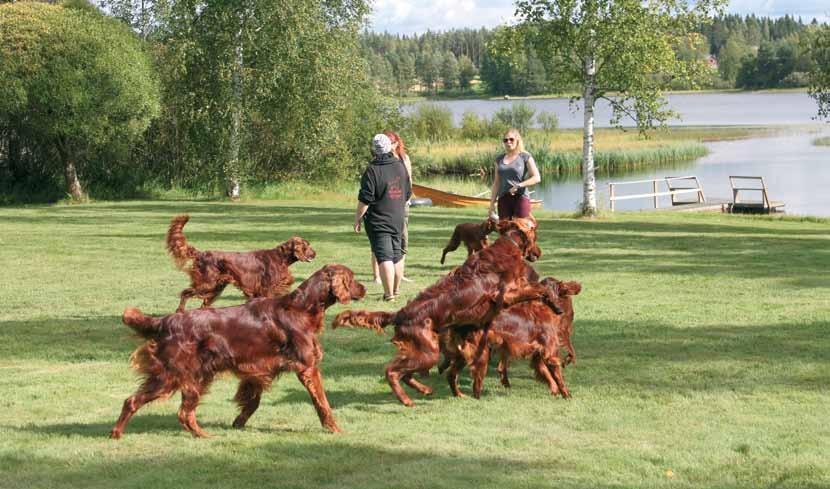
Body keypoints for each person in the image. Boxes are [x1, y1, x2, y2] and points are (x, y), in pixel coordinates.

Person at [355, 134, 412, 301]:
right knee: (397, 254)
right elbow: (408, 192)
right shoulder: (400, 165)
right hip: (397, 218)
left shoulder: (372, 169)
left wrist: (358, 218)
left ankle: (388, 295)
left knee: (384, 256)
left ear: (374, 149)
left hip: (378, 220)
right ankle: (395, 290)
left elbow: (365, 198)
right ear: (389, 147)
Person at [372, 130, 413, 284]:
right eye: (389, 142)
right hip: (384, 206)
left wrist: (407, 199)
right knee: (381, 243)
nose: (392, 145)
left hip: (402, 206)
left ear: (397, 143)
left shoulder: (404, 158)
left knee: (402, 240)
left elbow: (409, 181)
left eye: (394, 142)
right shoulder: (379, 161)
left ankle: (399, 274)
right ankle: (377, 275)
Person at [488, 128, 541, 220]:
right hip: (503, 199)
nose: (508, 142)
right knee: (505, 231)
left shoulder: (525, 156)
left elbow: (536, 178)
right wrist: (492, 204)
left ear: (517, 141)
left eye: (511, 139)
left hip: (521, 198)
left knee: (521, 229)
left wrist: (519, 185)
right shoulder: (499, 159)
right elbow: (497, 183)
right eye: (505, 140)